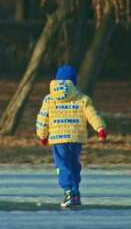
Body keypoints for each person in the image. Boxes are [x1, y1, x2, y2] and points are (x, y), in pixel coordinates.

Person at [35, 65, 107, 208]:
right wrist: (100, 128)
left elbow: (42, 118)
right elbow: (92, 115)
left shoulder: (49, 99)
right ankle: (75, 193)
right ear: (74, 81)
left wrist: (42, 135)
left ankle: (68, 192)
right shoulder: (82, 98)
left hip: (58, 139)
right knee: (74, 164)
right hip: (76, 139)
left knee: (62, 165)